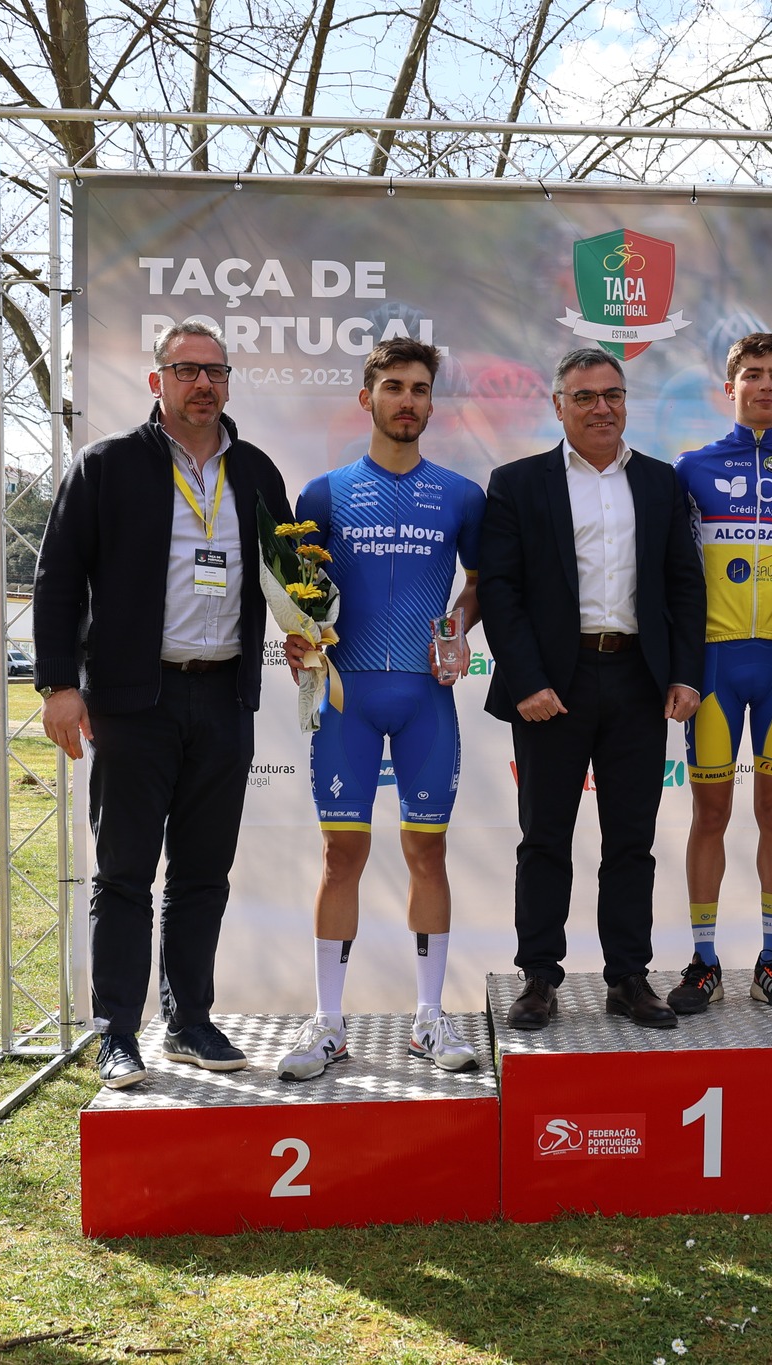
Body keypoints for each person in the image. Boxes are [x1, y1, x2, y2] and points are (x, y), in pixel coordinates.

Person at [34, 319, 290, 1090]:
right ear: (157, 381)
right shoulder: (107, 466)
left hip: (225, 696)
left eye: (216, 371)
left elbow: (289, 576)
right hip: (132, 701)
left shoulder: (256, 471)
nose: (203, 383)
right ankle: (117, 1031)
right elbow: (58, 578)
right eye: (187, 370)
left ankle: (188, 1020)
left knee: (203, 873)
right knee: (124, 873)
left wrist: (309, 632)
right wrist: (58, 685)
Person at [479, 347, 707, 1031]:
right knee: (544, 837)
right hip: (554, 684)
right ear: (558, 406)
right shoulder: (517, 483)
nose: (601, 407)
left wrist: (686, 673)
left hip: (638, 679)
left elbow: (684, 585)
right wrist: (527, 681)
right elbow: (500, 591)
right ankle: (539, 977)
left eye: (613, 394)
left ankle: (629, 977)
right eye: (584, 397)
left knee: (632, 840)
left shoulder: (661, 482)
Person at [278, 339, 486, 1081]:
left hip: (425, 698)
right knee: (342, 855)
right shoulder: (324, 495)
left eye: (420, 389)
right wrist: (297, 638)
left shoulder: (462, 495)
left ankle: (429, 1018)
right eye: (394, 387)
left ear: (432, 402)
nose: (408, 400)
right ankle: (329, 1025)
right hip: (348, 698)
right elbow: (297, 592)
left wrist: (458, 624)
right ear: (366, 398)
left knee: (428, 852)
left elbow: (480, 583)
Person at [670, 333, 772, 1015]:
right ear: (730, 386)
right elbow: (675, 574)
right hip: (713, 663)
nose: (766, 385)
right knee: (710, 813)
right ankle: (703, 959)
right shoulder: (692, 468)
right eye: (753, 375)